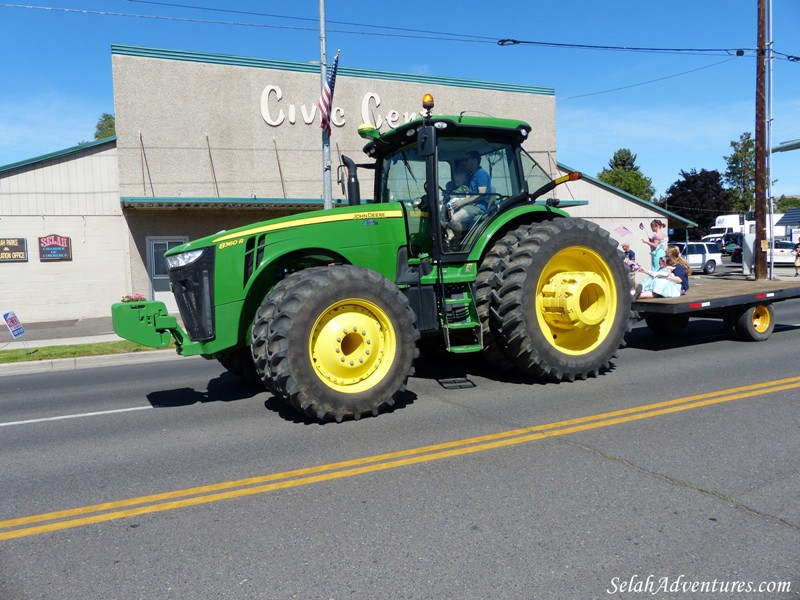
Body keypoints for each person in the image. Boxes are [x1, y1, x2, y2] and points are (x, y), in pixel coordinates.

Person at [446, 151, 492, 243]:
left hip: (478, 206)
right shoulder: (472, 175)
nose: (464, 162)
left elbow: (481, 194)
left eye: (466, 160)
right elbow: (466, 190)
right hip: (471, 204)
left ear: (475, 160)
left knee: (454, 219)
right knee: (445, 214)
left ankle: (457, 242)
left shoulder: (481, 174)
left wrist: (462, 202)